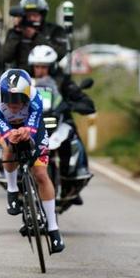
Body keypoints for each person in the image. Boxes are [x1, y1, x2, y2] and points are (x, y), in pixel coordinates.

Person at [0, 68, 65, 254]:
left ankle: (53, 230)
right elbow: (4, 132)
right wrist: (11, 135)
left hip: (33, 127)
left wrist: (27, 132)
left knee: (40, 173)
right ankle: (13, 191)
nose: (14, 105)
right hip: (8, 128)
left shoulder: (36, 98)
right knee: (8, 148)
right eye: (9, 100)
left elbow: (33, 124)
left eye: (19, 100)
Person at [27, 45, 95, 204]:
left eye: (44, 66)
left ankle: (71, 178)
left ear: (52, 67)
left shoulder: (63, 82)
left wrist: (72, 105)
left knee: (72, 136)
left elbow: (86, 103)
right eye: (37, 66)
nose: (40, 70)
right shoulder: (26, 83)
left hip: (59, 122)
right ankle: (15, 180)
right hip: (33, 124)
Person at [0, 0, 68, 73]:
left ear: (42, 16)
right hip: (22, 77)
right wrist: (16, 34)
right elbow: (2, 59)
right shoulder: (15, 33)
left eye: (35, 15)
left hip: (49, 78)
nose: (32, 19)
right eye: (29, 16)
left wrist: (35, 36)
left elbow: (61, 53)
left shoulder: (54, 30)